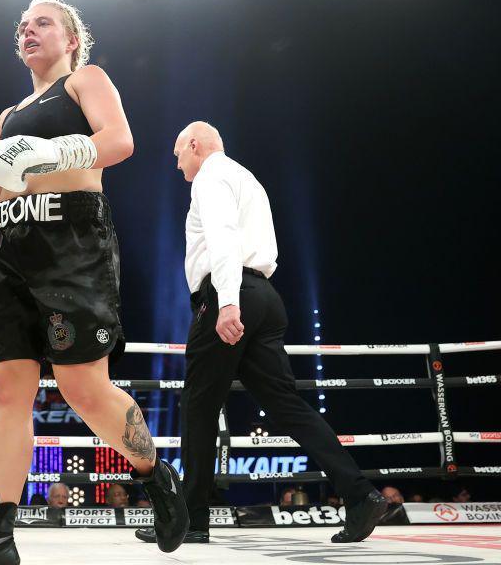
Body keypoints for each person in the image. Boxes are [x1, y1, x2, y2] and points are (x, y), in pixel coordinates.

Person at [0, 0, 188, 563]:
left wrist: (56, 151)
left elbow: (119, 141)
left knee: (82, 388)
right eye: (22, 25)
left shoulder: (86, 81)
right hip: (8, 249)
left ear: (71, 38)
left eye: (42, 22)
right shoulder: (8, 116)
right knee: (8, 393)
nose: (27, 30)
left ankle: (153, 472)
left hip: (72, 244)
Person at [139, 121, 387, 546]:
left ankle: (192, 520)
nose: (177, 164)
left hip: (228, 291)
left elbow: (223, 237)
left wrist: (228, 300)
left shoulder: (211, 178)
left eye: (179, 153)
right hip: (267, 296)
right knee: (287, 405)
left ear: (195, 145)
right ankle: (360, 494)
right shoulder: (247, 179)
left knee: (198, 406)